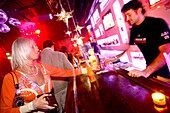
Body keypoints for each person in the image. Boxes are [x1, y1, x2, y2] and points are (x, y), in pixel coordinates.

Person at [0, 37, 73, 113]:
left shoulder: (43, 68)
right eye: (32, 47)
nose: (37, 49)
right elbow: (4, 111)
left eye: (36, 46)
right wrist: (32, 106)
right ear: (22, 51)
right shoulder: (11, 78)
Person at [105, 0, 170, 78]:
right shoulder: (134, 29)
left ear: (138, 10)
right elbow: (130, 48)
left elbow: (166, 51)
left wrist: (146, 72)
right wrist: (114, 58)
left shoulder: (157, 23)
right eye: (125, 16)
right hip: (151, 70)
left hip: (166, 70)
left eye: (129, 15)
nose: (127, 19)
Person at [40, 40, 73, 113]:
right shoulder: (60, 55)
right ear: (52, 46)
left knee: (59, 109)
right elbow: (71, 69)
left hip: (48, 91)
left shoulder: (38, 59)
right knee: (67, 107)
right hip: (63, 85)